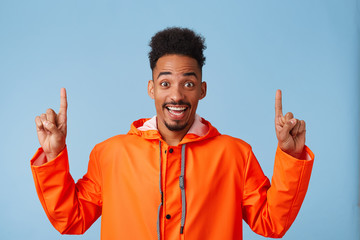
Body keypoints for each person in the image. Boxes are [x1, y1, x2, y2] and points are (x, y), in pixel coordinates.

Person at [30, 27, 314, 240]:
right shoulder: (110, 154)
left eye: (188, 84)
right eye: (165, 83)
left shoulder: (235, 154)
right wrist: (53, 155)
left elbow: (272, 222)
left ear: (202, 89)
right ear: (152, 88)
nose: (176, 95)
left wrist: (292, 155)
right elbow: (71, 220)